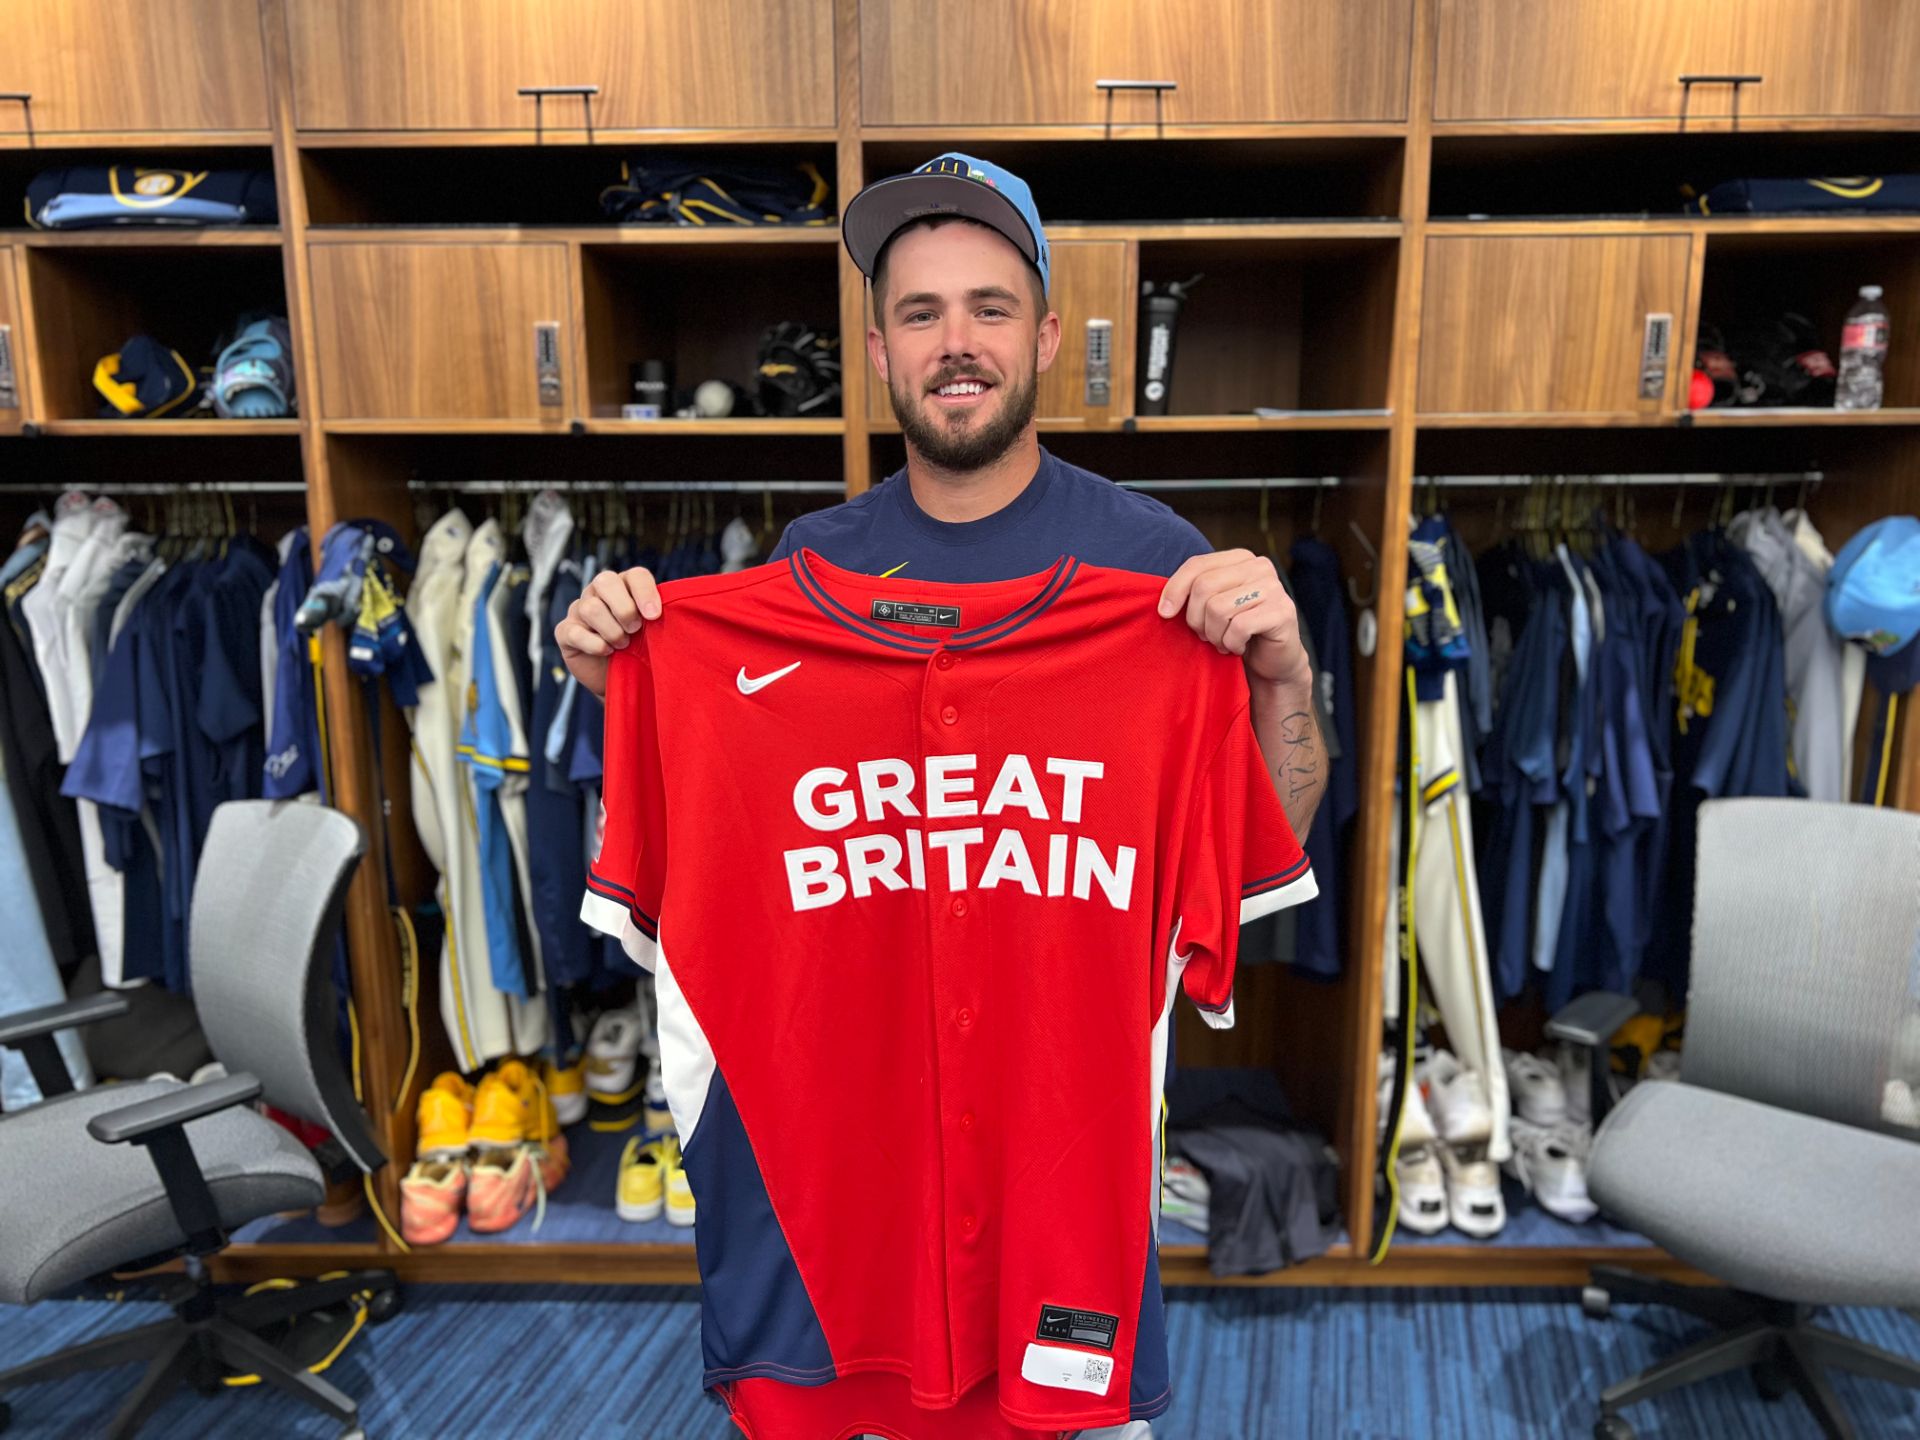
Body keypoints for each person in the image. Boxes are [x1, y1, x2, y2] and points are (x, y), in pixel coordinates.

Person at [557, 151, 1328, 843]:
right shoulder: (814, 561)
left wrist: (1283, 676)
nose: (957, 340)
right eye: (921, 313)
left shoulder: (1159, 562)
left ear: (1046, 339)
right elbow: (743, 826)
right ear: (881, 352)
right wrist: (628, 688)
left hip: (1086, 1006)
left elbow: (1267, 847)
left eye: (991, 309)